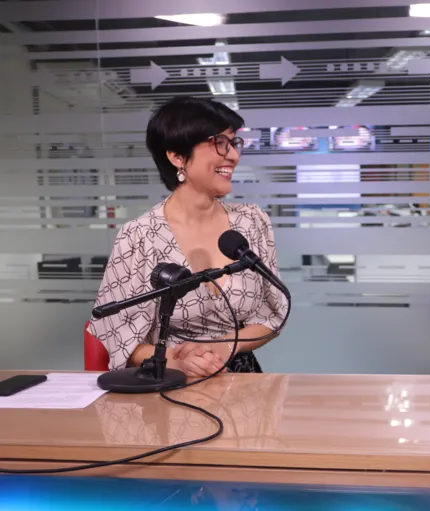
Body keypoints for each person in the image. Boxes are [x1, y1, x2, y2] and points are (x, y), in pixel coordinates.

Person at [88, 96, 287, 377]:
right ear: (177, 156)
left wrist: (223, 346)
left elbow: (273, 314)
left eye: (234, 143)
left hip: (242, 382)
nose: (233, 155)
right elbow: (121, 336)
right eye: (220, 142)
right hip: (170, 381)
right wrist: (175, 360)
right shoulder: (138, 236)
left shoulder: (252, 221)